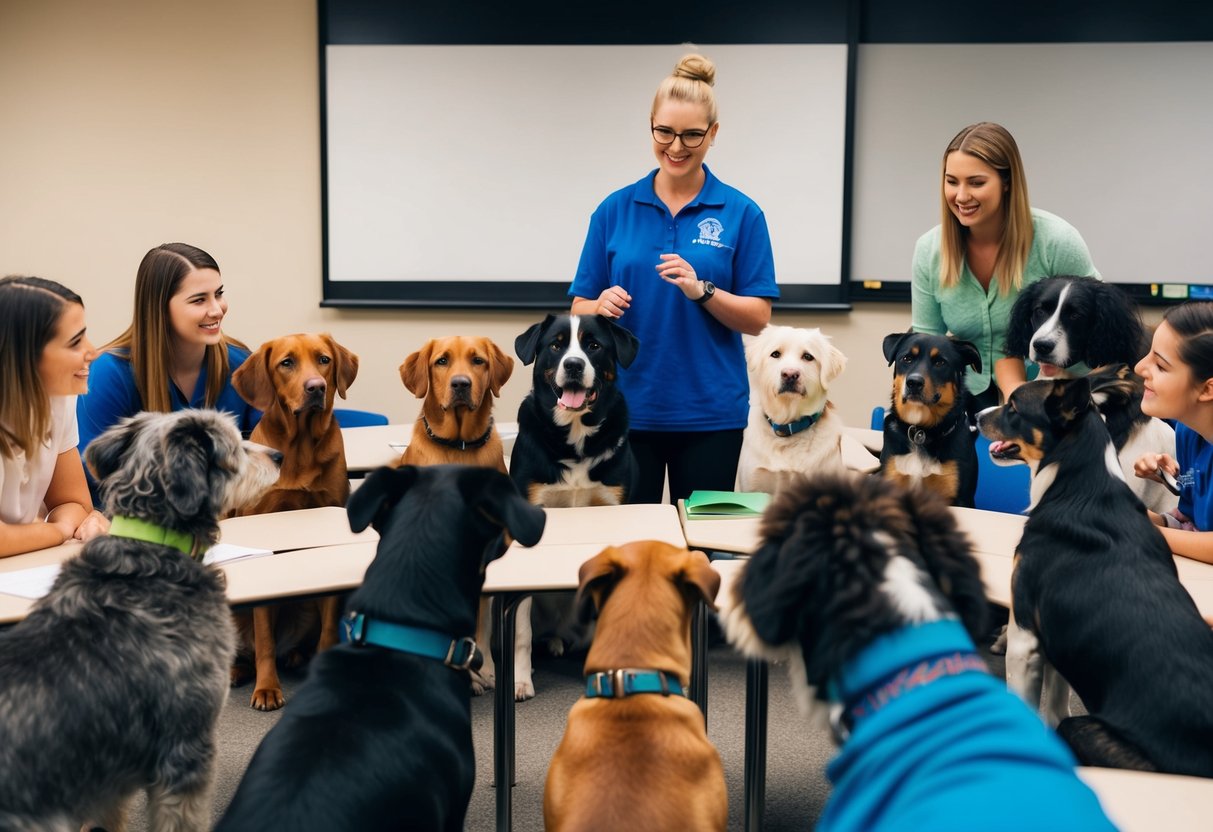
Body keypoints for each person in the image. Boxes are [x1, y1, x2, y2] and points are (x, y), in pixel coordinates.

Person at [569, 53, 778, 504]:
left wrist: (703, 291)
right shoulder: (614, 210)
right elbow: (579, 307)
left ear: (714, 134)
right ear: (650, 126)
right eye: (664, 132)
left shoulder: (742, 213)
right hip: (621, 411)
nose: (676, 146)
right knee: (630, 548)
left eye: (692, 135)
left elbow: (759, 318)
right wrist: (598, 305)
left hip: (711, 416)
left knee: (703, 547)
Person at [911, 121, 1100, 411]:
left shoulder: (1057, 242)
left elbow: (1100, 328)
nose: (961, 196)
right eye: (952, 181)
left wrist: (1036, 396)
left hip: (1058, 393)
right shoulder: (929, 249)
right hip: (964, 396)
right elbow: (924, 344)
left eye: (976, 182)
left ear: (1007, 181)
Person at [77, 243, 260, 500]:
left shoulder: (240, 363)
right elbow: (99, 477)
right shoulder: (109, 373)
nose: (217, 309)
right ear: (160, 307)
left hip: (231, 523)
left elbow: (268, 448)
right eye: (199, 300)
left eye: (218, 294)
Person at [0, 276, 109, 557]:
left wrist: (55, 527)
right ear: (26, 356)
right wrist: (58, 531)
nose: (93, 352)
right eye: (75, 343)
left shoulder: (59, 399)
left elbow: (74, 502)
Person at [1133, 301, 1213, 565]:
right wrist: (1126, 512)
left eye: (1161, 366)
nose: (1139, 368)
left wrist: (1146, 532)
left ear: (1207, 390)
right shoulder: (1189, 433)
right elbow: (1191, 528)